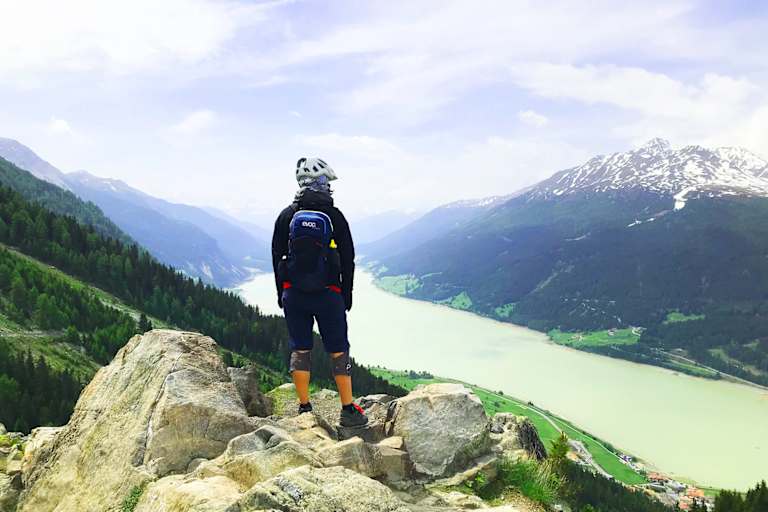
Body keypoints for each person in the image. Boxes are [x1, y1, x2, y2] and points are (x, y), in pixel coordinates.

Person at [271, 157, 368, 427]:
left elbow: (276, 256)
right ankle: (348, 410)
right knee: (338, 351)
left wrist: (282, 292)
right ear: (321, 183)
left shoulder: (286, 215)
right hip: (329, 295)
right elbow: (348, 258)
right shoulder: (335, 217)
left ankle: (304, 408)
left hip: (294, 295)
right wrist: (346, 293)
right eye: (327, 182)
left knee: (300, 349)